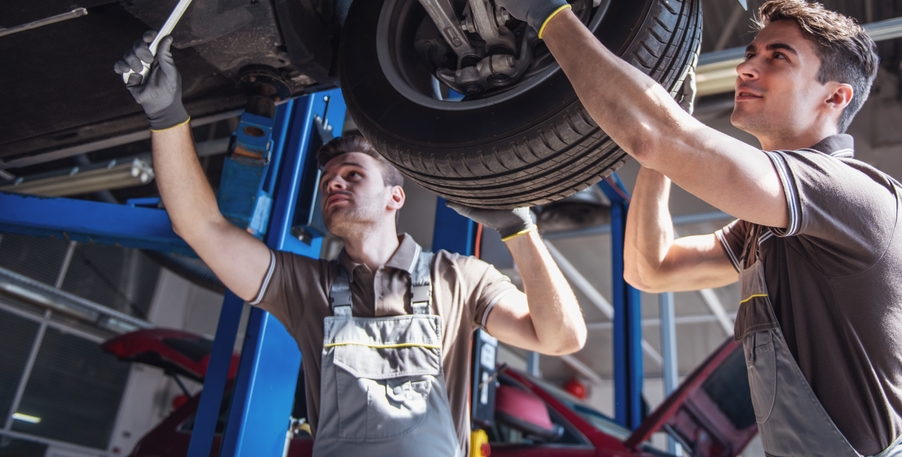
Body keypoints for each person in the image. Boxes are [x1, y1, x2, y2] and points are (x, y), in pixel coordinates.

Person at [484, 0, 902, 457]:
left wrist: (546, 11)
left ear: (835, 97)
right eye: (751, 54)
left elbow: (653, 135)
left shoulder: (857, 195)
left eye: (777, 57)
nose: (747, 67)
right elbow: (650, 269)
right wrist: (665, 157)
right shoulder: (770, 227)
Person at [114, 33, 587, 457]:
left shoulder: (459, 278)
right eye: (328, 181)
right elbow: (202, 227)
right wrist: (166, 115)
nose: (334, 183)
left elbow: (561, 337)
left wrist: (519, 228)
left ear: (395, 197)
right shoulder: (303, 288)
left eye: (353, 174)